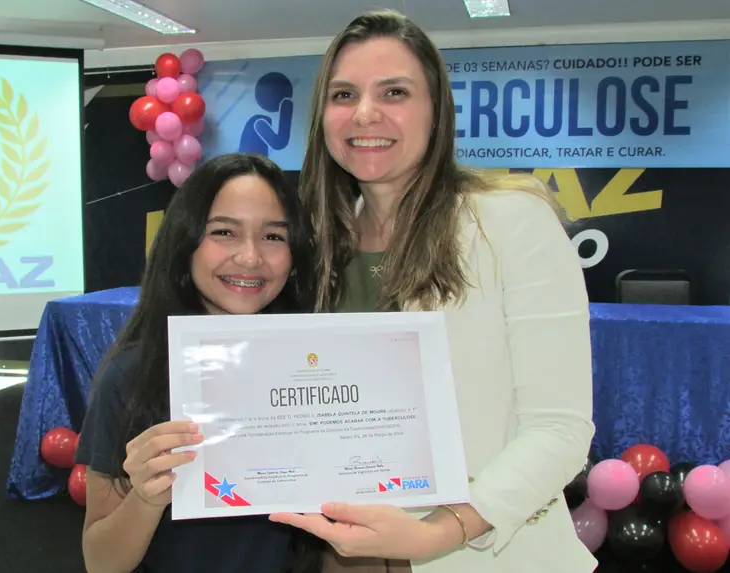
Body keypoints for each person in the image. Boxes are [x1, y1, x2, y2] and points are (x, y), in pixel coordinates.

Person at [269, 10, 598, 573]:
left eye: (394, 91)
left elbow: (561, 429)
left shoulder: (511, 221)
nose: (365, 113)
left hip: (483, 557)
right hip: (346, 554)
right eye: (344, 94)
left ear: (436, 110)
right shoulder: (315, 241)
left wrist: (442, 532)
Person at [74, 153, 324, 573]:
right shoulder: (133, 375)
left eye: (274, 237)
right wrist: (147, 497)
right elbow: (100, 561)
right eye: (224, 232)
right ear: (185, 241)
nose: (249, 257)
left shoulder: (317, 368)